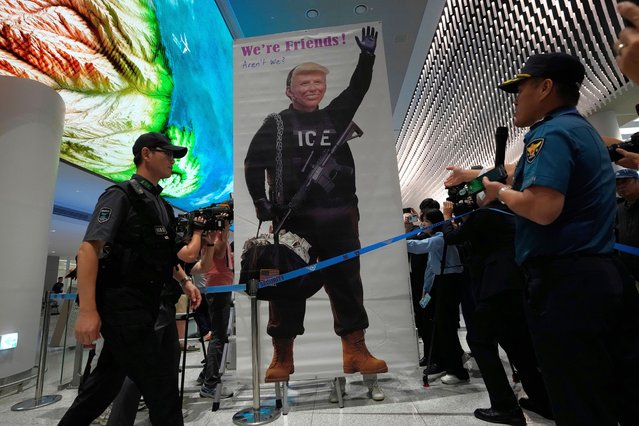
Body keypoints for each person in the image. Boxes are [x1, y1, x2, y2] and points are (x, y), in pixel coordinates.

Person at [476, 52, 639, 425]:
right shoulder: (582, 131)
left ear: (545, 87)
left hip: (567, 284)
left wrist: (500, 192)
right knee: (616, 390)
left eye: (520, 89)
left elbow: (542, 208)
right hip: (600, 274)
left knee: (577, 395)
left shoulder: (549, 133)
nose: (516, 98)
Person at [243, 26, 388, 384]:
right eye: (304, 84)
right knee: (285, 287)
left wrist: (366, 57)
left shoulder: (335, 116)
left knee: (347, 283)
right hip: (293, 221)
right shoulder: (275, 125)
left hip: (339, 218)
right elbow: (252, 164)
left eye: (318, 83)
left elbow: (357, 89)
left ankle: (356, 351)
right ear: (289, 90)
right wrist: (262, 205)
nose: (312, 89)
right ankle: (282, 357)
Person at [58, 132, 201, 426]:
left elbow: (169, 258)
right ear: (146, 154)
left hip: (146, 308)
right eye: (168, 153)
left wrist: (185, 280)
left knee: (102, 387)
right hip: (123, 307)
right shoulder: (120, 195)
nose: (172, 160)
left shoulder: (162, 206)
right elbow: (87, 250)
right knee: (162, 392)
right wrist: (87, 311)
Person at [442, 200, 552, 424]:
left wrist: (447, 216)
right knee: (518, 346)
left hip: (496, 286)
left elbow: (451, 237)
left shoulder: (484, 213)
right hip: (514, 283)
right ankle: (543, 402)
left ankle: (505, 406)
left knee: (479, 340)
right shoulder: (508, 211)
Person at [406, 208, 468, 385]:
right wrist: (426, 291)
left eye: (424, 221)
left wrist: (394, 241)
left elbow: (418, 247)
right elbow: (430, 270)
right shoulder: (438, 239)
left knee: (446, 327)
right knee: (442, 326)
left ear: (433, 223)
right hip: (441, 283)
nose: (422, 225)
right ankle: (454, 363)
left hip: (448, 283)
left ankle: (457, 371)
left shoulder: (440, 239)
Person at [190, 221, 234, 399]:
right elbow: (219, 251)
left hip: (219, 286)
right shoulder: (215, 234)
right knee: (219, 336)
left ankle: (205, 376)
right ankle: (210, 384)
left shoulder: (211, 234)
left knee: (218, 334)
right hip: (218, 287)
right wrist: (223, 232)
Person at [615, 168, 639, 283]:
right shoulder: (619, 209)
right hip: (627, 268)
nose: (621, 186)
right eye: (617, 184)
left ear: (637, 181)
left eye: (625, 181)